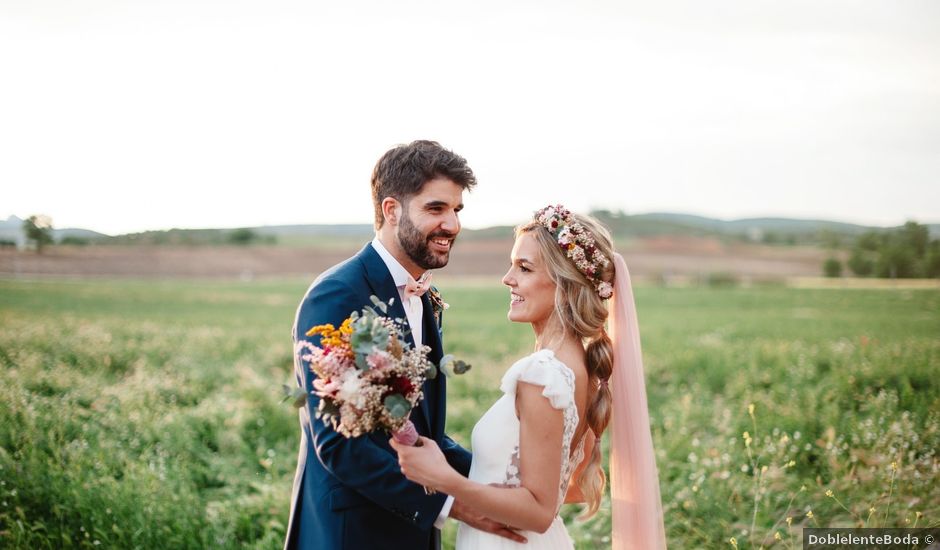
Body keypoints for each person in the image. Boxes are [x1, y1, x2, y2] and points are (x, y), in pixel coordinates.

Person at [284, 140, 526, 549]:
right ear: (391, 210)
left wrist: (503, 482)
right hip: (352, 533)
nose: (452, 225)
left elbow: (423, 432)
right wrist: (455, 505)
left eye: (456, 210)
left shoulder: (424, 297)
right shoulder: (338, 295)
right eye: (436, 209)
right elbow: (339, 444)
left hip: (413, 534)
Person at [391, 205, 668, 549]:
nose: (508, 278)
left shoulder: (543, 375)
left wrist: (445, 479)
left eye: (523, 268)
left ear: (565, 284)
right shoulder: (577, 368)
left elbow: (539, 510)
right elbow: (564, 489)